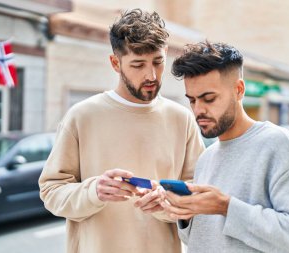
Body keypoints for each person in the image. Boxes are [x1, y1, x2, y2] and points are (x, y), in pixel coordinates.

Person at [39, 9, 204, 253]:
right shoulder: (82, 116)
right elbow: (51, 192)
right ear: (115, 63)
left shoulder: (182, 119)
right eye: (138, 64)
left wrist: (166, 202)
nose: (151, 75)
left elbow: (199, 192)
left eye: (158, 62)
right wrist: (94, 191)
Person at [161, 41, 289, 253]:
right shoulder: (207, 157)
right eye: (192, 100)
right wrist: (184, 214)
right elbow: (202, 238)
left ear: (239, 90)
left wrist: (226, 207)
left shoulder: (279, 145)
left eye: (209, 99)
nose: (198, 110)